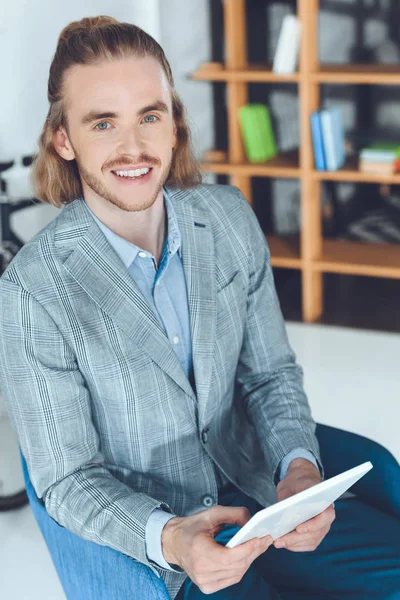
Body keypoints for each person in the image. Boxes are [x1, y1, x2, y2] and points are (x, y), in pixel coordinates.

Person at [0, 16, 398, 600]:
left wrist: (299, 466)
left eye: (149, 116)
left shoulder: (229, 218)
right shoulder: (33, 289)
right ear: (64, 139)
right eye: (103, 123)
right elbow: (66, 479)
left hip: (263, 499)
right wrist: (169, 537)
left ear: (174, 125)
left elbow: (270, 376)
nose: (132, 148)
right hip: (169, 542)